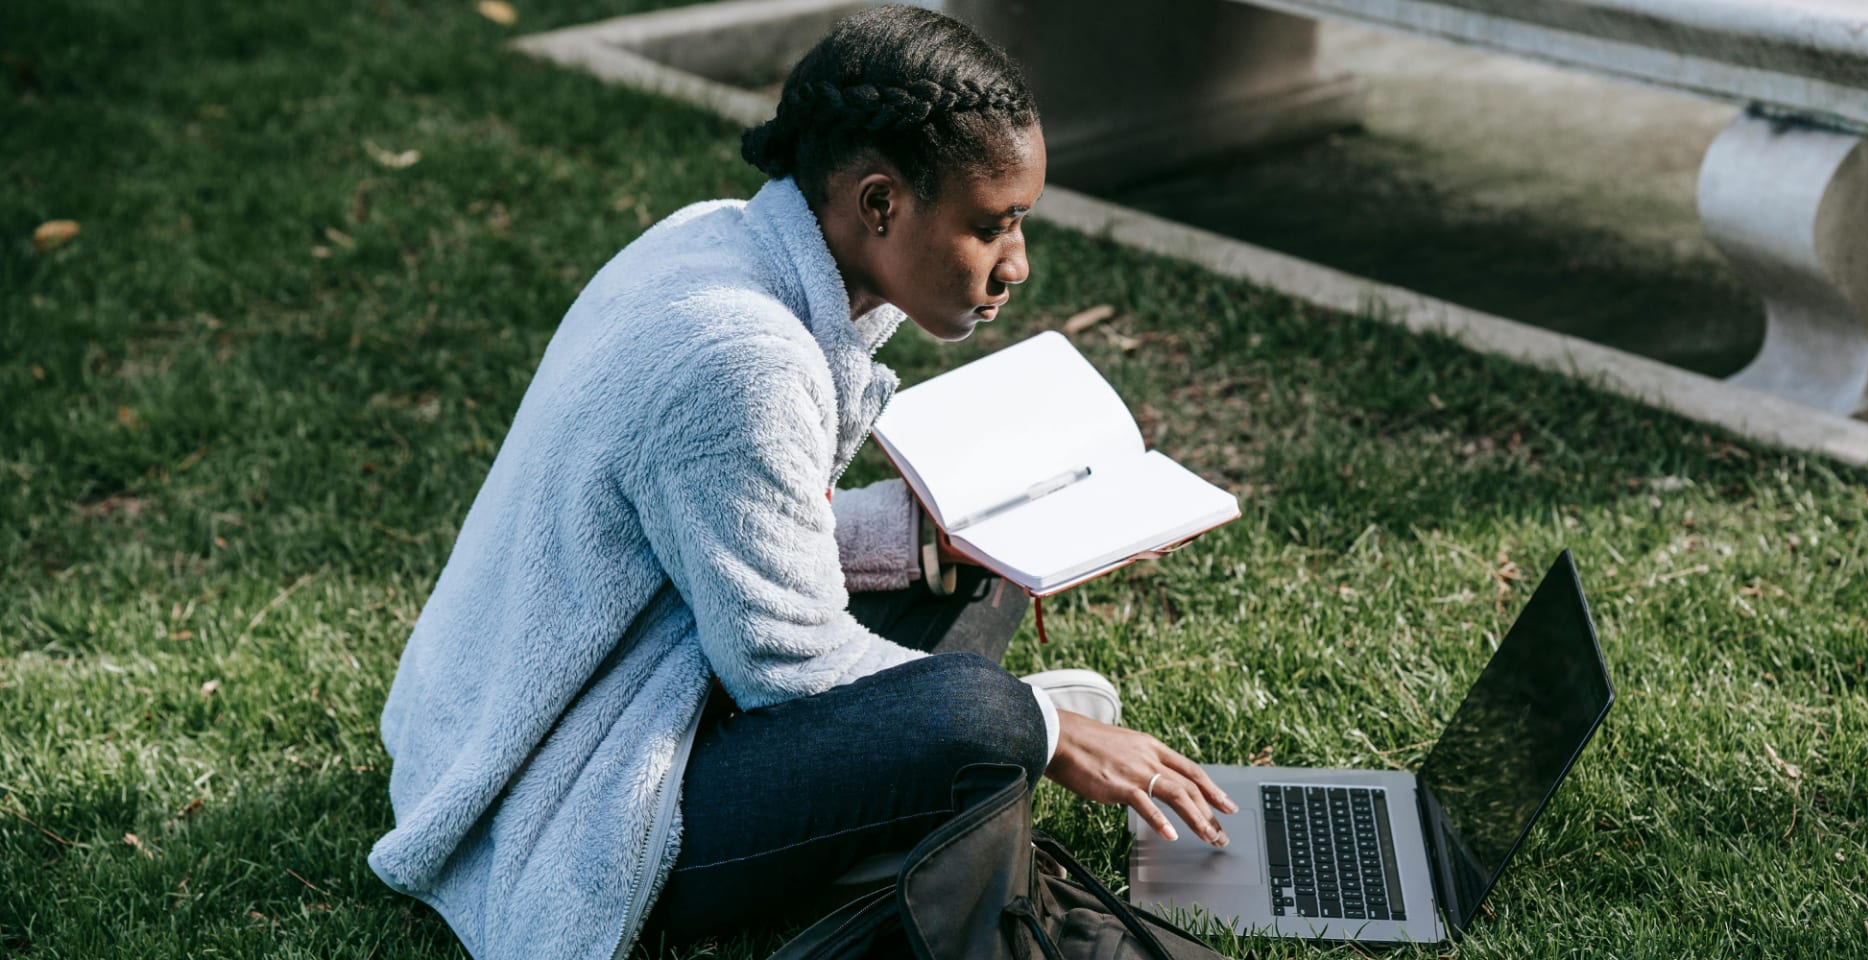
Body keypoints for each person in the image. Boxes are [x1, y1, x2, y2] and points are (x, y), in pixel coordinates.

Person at [366, 7, 1236, 959]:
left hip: (603, 684)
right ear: (879, 204)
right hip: (577, 791)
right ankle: (961, 769)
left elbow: (734, 529)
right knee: (981, 713)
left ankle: (941, 777)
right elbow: (784, 667)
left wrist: (917, 540)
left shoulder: (717, 235)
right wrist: (1048, 730)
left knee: (974, 549)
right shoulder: (743, 358)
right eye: (993, 225)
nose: (1016, 263)